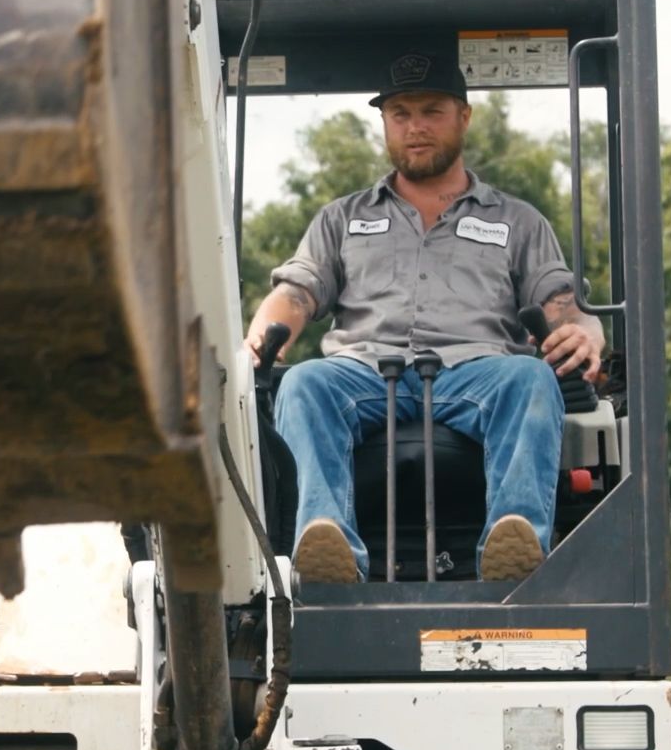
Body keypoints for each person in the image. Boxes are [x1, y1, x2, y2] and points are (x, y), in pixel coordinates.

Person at [243, 45, 606, 584]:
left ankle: (512, 550)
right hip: (364, 376)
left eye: (432, 111)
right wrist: (260, 334)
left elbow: (562, 304)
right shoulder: (342, 219)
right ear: (385, 123)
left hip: (475, 375)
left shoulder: (518, 221)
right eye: (401, 114)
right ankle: (326, 548)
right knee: (303, 385)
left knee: (530, 378)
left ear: (464, 116)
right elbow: (296, 292)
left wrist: (586, 333)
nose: (416, 127)